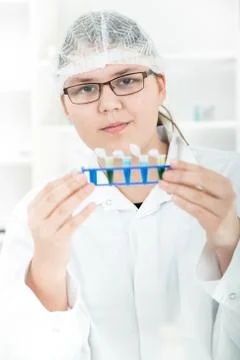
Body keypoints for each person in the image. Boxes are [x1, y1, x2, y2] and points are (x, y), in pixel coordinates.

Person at [0, 10, 240, 360]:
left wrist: (230, 245)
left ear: (160, 85)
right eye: (84, 88)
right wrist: (47, 272)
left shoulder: (232, 181)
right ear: (66, 106)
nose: (108, 104)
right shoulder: (35, 218)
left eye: (126, 80)